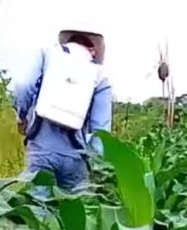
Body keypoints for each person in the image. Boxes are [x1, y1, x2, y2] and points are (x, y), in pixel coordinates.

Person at [13, 17, 113, 192]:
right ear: (94, 49)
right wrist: (97, 168)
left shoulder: (47, 54)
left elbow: (24, 85)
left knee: (38, 213)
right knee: (75, 215)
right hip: (76, 155)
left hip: (41, 148)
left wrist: (21, 117)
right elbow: (101, 132)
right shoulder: (100, 76)